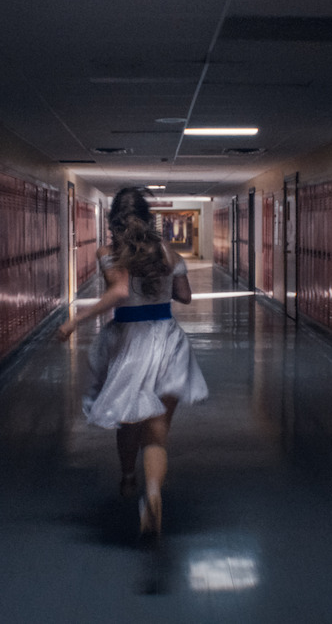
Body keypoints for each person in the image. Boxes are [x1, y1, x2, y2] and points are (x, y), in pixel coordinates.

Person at [56, 187, 208, 536]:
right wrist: (158, 281)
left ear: (112, 221)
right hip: (169, 341)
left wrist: (74, 321)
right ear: (148, 217)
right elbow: (184, 296)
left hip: (131, 343)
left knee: (129, 422)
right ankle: (152, 495)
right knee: (157, 430)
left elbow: (120, 291)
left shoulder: (109, 253)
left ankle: (128, 478)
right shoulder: (167, 251)